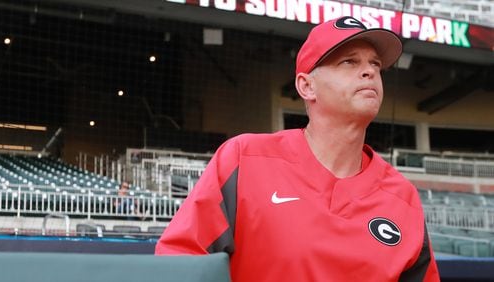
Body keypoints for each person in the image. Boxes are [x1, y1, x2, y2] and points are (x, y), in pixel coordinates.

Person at [155, 16, 440, 281]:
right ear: (306, 86)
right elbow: (179, 265)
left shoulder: (403, 197)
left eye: (375, 64)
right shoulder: (244, 159)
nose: (369, 71)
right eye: (349, 62)